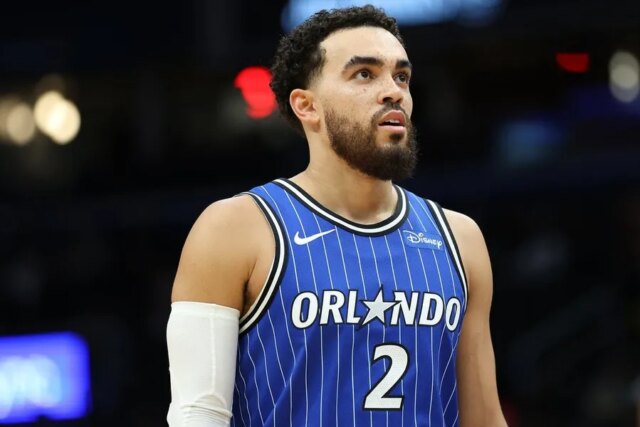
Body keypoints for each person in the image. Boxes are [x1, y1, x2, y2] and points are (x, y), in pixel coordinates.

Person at [166, 5, 507, 427]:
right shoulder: (235, 228)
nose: (393, 91)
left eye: (401, 76)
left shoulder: (459, 238)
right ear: (306, 106)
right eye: (365, 74)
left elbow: (483, 418)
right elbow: (197, 415)